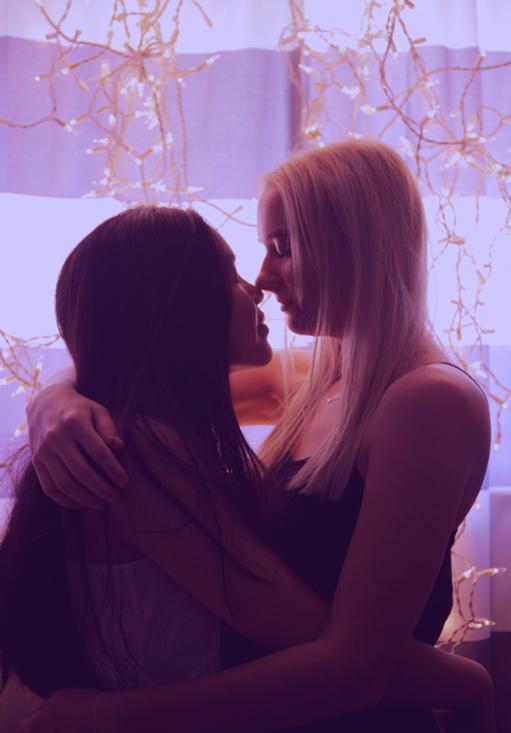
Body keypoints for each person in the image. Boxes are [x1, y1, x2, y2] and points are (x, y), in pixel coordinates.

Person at [19, 140, 493, 732]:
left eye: (282, 247)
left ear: (358, 244)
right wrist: (55, 399)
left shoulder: (425, 402)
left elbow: (354, 668)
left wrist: (102, 717)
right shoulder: (321, 376)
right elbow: (145, 359)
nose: (264, 278)